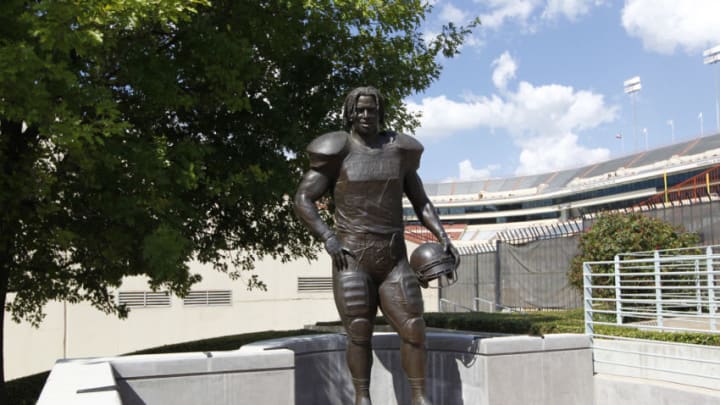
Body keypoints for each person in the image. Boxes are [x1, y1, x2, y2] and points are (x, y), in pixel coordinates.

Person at [294, 86, 459, 405]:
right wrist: (328, 237)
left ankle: (419, 398)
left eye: (372, 110)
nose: (367, 115)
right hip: (352, 257)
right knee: (358, 331)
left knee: (414, 328)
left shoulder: (399, 150)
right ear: (350, 113)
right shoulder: (337, 150)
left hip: (394, 258)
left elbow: (421, 201)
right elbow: (303, 198)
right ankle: (362, 397)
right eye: (361, 110)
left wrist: (442, 235)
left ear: (381, 113)